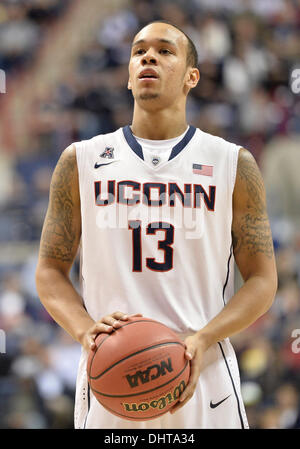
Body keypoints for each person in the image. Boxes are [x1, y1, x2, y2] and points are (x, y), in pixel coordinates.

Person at [35, 21, 278, 429]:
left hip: (204, 374)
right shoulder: (81, 160)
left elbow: (262, 281)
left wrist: (203, 337)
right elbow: (49, 271)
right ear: (129, 75)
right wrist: (85, 333)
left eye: (165, 51)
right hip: (110, 374)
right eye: (138, 51)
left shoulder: (233, 163)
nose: (148, 56)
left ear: (191, 77)